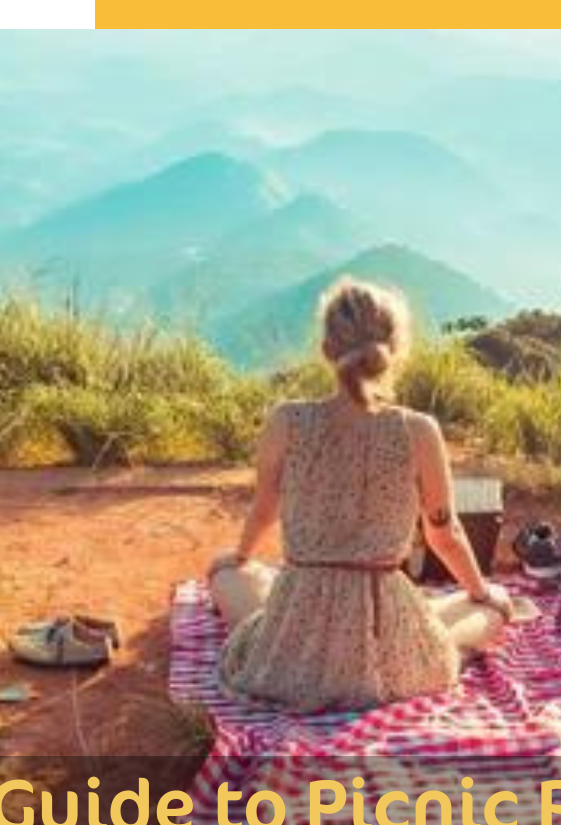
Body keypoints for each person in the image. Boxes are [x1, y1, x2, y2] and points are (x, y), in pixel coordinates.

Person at [207, 277, 516, 711]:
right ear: (395, 351)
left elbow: (264, 510)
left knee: (227, 575)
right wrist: (482, 591)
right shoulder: (418, 430)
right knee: (490, 605)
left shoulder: (286, 421)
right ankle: (462, 625)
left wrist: (240, 557)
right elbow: (444, 535)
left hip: (297, 626)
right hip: (383, 632)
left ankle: (269, 617)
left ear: (326, 349)